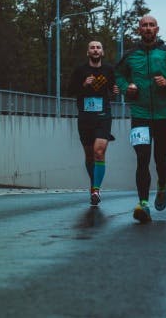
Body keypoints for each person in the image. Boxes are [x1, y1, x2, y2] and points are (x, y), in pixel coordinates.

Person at [115, 15, 166, 223]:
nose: (147, 28)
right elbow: (118, 75)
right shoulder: (130, 55)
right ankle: (143, 204)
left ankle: (163, 183)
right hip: (139, 114)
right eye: (144, 26)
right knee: (142, 158)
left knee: (160, 158)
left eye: (151, 25)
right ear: (139, 30)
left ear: (157, 29)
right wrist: (126, 88)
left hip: (164, 114)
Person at [68, 40, 119, 206]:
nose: (96, 50)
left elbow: (113, 90)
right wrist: (84, 84)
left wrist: (116, 91)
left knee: (99, 152)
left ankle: (96, 189)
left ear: (102, 52)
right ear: (88, 52)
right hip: (85, 117)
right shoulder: (80, 70)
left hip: (103, 115)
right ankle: (93, 186)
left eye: (98, 47)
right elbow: (69, 91)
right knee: (89, 155)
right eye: (92, 47)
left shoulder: (109, 70)